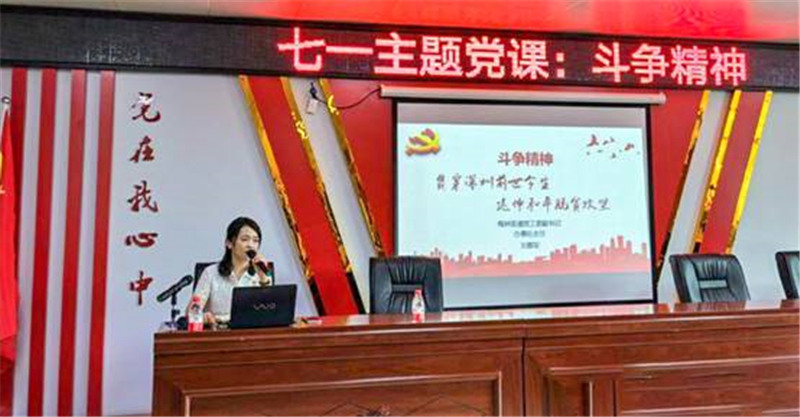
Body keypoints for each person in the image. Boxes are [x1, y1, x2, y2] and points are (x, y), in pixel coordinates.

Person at [189, 216, 273, 325]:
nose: (251, 245)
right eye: (244, 239)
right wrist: (203, 317)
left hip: (251, 331)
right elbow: (191, 312)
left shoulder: (263, 274)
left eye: (255, 241)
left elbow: (271, 313)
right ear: (229, 243)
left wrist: (264, 279)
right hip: (219, 330)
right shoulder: (210, 273)